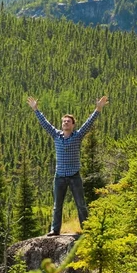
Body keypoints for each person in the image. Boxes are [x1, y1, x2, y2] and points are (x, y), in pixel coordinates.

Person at [27, 95, 108, 236]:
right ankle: (55, 229)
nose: (65, 123)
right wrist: (35, 109)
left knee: (81, 205)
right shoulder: (56, 135)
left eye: (68, 122)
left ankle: (86, 229)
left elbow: (88, 123)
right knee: (57, 206)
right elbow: (45, 123)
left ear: (73, 125)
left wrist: (98, 109)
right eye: (64, 121)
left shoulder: (78, 136)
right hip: (59, 177)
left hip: (74, 176)